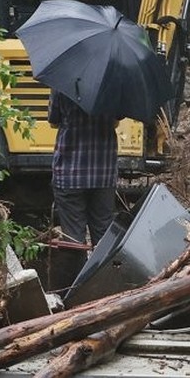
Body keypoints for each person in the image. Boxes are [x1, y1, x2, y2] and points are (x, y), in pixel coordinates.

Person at [48, 90, 119, 289]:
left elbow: (53, 121)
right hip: (102, 173)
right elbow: (115, 122)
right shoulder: (113, 84)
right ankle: (103, 289)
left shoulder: (61, 84)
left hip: (70, 174)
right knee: (104, 235)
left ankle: (74, 293)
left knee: (73, 240)